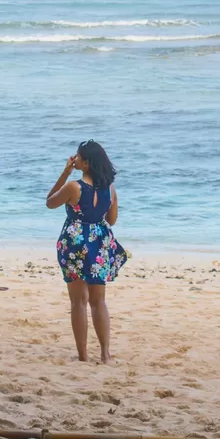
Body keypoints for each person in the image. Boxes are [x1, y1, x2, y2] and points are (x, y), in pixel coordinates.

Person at [46, 139, 128, 363]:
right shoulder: (109, 190)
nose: (75, 159)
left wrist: (65, 172)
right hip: (99, 243)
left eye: (78, 157)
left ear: (86, 162)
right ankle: (105, 354)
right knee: (98, 300)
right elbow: (111, 220)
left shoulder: (74, 187)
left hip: (74, 243)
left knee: (78, 301)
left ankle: (82, 355)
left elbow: (50, 202)